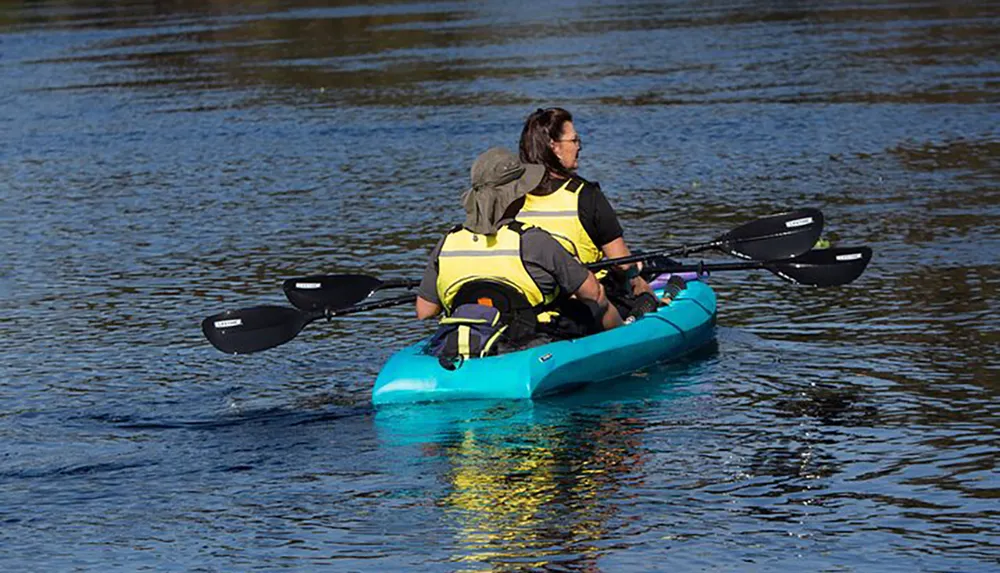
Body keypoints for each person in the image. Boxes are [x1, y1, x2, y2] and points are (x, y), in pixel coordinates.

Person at [415, 147, 622, 347]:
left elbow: (425, 310)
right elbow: (592, 292)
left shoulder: (448, 241)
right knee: (599, 300)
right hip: (530, 341)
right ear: (517, 195)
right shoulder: (533, 240)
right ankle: (624, 337)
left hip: (473, 337)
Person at [517, 107, 658, 309]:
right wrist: (640, 285)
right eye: (574, 141)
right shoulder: (586, 195)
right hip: (586, 299)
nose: (579, 147)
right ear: (554, 147)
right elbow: (622, 263)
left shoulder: (511, 195)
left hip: (533, 297)